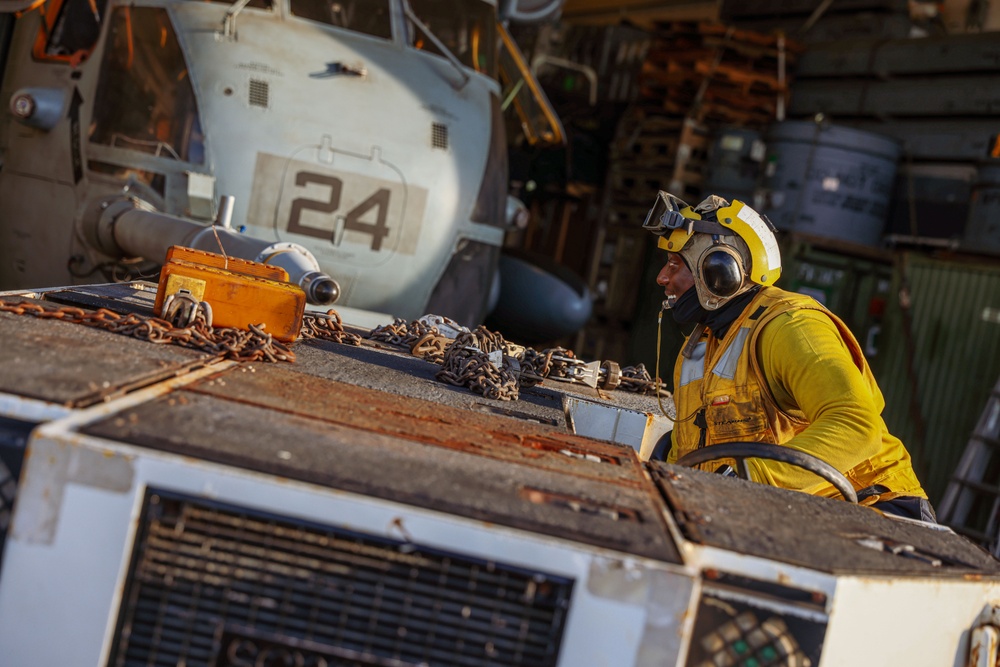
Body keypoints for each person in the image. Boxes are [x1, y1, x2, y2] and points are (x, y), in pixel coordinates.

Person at [643, 190, 935, 522]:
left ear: (720, 269)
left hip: (879, 510)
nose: (662, 278)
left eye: (674, 264)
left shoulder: (790, 326)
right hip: (790, 511)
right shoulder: (700, 346)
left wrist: (746, 480)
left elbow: (857, 425)